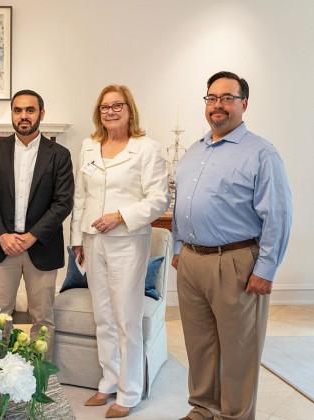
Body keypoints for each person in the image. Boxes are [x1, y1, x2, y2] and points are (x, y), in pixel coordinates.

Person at [173, 71, 292, 420]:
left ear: (244, 103)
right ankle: (202, 410)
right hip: (193, 262)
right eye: (212, 98)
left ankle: (235, 416)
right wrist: (179, 247)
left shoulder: (261, 153)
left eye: (227, 98)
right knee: (199, 345)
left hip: (237, 262)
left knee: (240, 350)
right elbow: (182, 203)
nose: (218, 106)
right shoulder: (194, 151)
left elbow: (279, 215)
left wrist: (266, 269)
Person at [70, 84, 170, 418]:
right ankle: (108, 381)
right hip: (93, 241)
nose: (111, 111)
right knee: (103, 316)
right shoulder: (88, 146)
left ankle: (129, 392)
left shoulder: (147, 148)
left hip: (128, 240)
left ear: (130, 110)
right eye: (104, 107)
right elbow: (81, 197)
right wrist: (77, 240)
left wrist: (120, 216)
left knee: (126, 318)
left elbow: (158, 199)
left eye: (118, 106)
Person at [0, 89, 74, 349]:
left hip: (41, 247)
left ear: (41, 114)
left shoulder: (59, 155)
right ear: (12, 114)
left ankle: (41, 381)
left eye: (30, 110)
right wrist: (2, 235)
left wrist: (32, 236)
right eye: (18, 110)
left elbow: (63, 202)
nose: (23, 116)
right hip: (3, 247)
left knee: (43, 319)